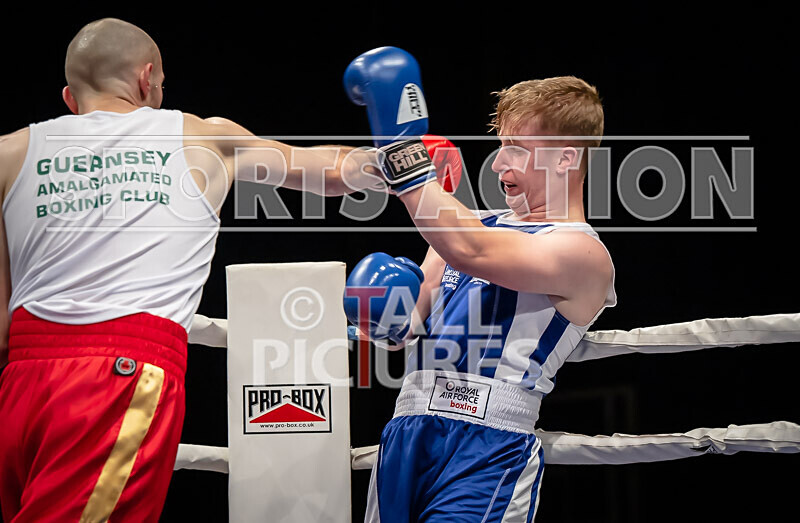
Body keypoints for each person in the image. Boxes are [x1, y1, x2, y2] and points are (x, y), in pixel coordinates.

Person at [0, 18, 376, 522]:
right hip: (118, 378)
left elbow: (2, 323)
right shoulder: (202, 137)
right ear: (146, 78)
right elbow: (330, 173)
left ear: (70, 96)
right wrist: (406, 160)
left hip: (23, 383)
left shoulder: (10, 153)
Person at [344, 48, 616, 522]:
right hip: (406, 430)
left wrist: (402, 149)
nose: (496, 165)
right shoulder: (473, 226)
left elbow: (473, 251)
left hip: (487, 447)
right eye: (501, 145)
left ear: (566, 157)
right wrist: (379, 312)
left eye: (517, 148)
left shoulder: (582, 253)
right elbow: (407, 327)